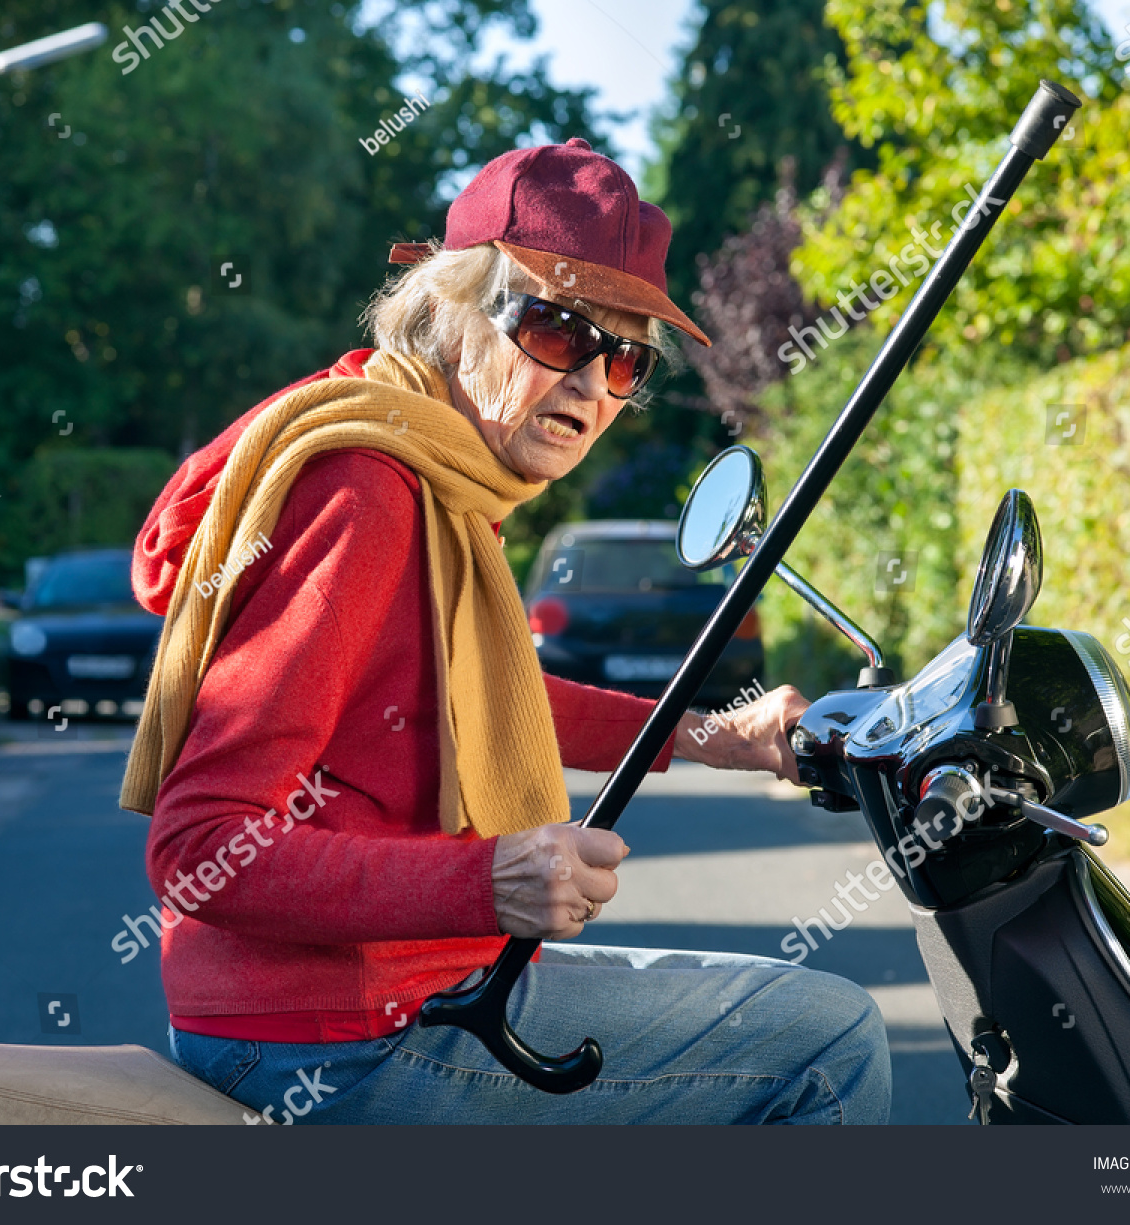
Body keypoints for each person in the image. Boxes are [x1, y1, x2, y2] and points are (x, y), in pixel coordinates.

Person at [120, 137, 890, 1124]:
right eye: (560, 332)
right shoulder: (369, 492)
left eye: (625, 359)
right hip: (336, 1040)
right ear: (449, 310)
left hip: (377, 1004)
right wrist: (486, 878)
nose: (592, 388)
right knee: (830, 1039)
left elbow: (482, 697)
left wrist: (711, 735)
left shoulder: (436, 473)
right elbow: (199, 846)